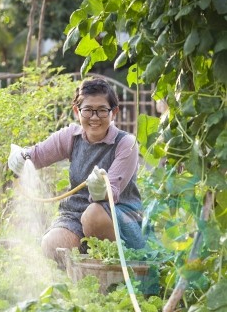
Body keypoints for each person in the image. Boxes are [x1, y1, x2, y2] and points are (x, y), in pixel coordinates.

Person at [8, 77, 146, 261]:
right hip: (75, 214)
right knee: (52, 243)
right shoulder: (71, 136)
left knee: (93, 215)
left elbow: (112, 194)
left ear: (114, 112)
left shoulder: (126, 143)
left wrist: (101, 190)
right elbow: (37, 155)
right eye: (88, 110)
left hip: (118, 215)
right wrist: (21, 157)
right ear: (76, 111)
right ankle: (82, 278)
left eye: (102, 111)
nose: (94, 117)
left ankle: (117, 270)